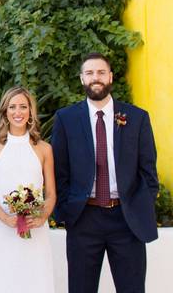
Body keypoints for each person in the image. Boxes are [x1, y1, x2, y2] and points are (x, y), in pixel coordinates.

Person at [51, 52, 159, 293]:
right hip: (84, 218)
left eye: (101, 72)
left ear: (110, 77)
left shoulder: (137, 118)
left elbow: (148, 173)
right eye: (89, 73)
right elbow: (59, 172)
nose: (95, 77)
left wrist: (139, 206)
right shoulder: (66, 119)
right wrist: (67, 213)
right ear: (81, 79)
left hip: (126, 218)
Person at [0, 87, 55, 293]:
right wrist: (6, 218)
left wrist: (41, 217)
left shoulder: (44, 148)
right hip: (3, 230)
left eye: (23, 106)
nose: (18, 112)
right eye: (12, 107)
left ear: (31, 111)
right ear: (5, 111)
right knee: (4, 280)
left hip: (36, 230)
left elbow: (51, 194)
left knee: (36, 281)